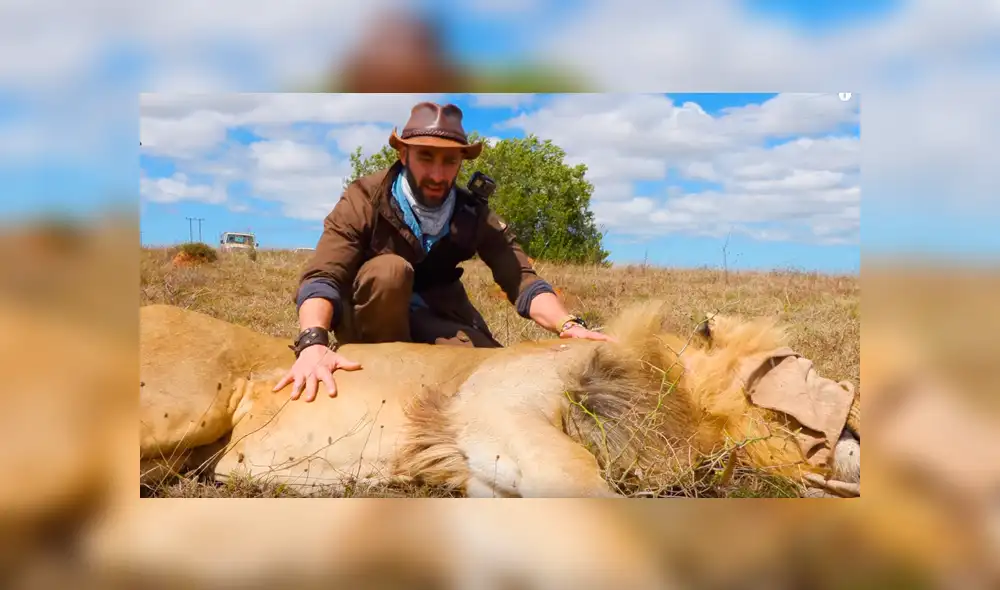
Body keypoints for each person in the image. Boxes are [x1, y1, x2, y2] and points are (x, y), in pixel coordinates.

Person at [274, 101, 612, 402]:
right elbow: (322, 278)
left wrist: (568, 325)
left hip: (434, 315)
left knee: (493, 375)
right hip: (369, 318)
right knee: (390, 271)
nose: (438, 174)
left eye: (449, 161)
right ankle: (385, 379)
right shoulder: (364, 198)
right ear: (402, 154)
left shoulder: (471, 212)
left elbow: (522, 280)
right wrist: (313, 341)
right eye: (425, 157)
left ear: (461, 161)